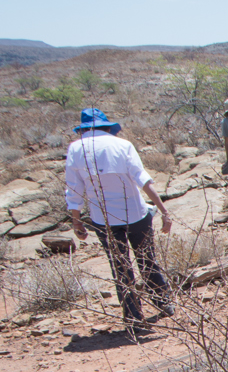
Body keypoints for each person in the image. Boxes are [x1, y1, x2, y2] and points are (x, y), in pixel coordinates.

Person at [64, 108, 173, 333]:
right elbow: (143, 180)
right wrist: (163, 211)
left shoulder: (75, 149)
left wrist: (77, 222)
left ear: (84, 129)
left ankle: (133, 317)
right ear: (106, 126)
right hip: (135, 213)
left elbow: (74, 191)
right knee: (147, 259)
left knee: (120, 267)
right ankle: (163, 303)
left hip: (103, 218)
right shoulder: (122, 145)